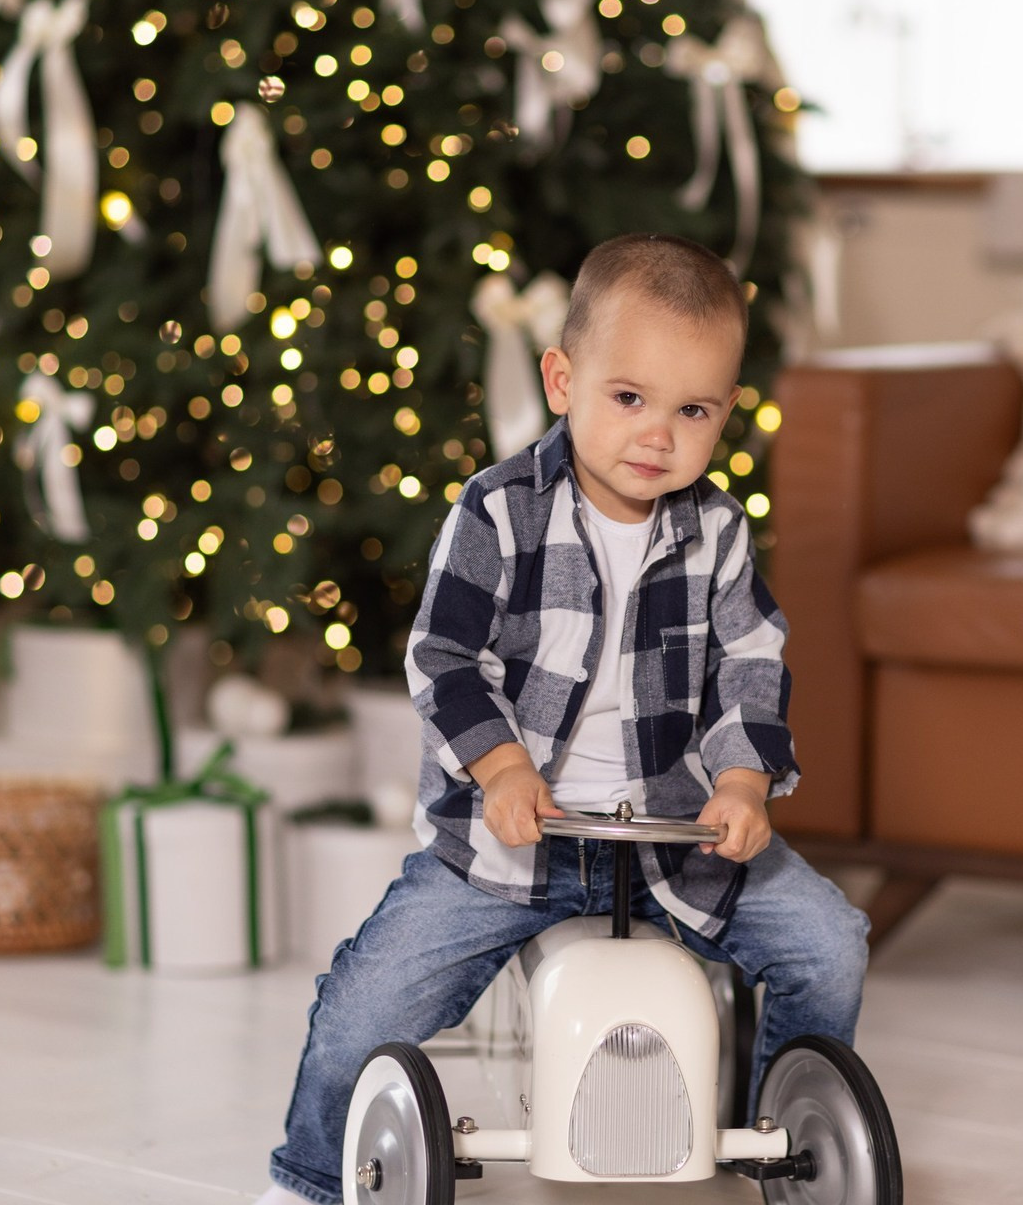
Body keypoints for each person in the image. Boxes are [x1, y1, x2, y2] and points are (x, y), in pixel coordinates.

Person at [258, 233, 869, 1205]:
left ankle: (781, 1138)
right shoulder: (498, 512)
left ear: (725, 412)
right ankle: (311, 1179)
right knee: (370, 992)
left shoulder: (713, 529)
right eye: (628, 397)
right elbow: (443, 658)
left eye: (693, 409)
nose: (656, 435)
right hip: (515, 839)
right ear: (560, 377)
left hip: (675, 832)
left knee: (825, 941)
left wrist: (744, 780)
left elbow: (751, 659)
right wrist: (500, 767)